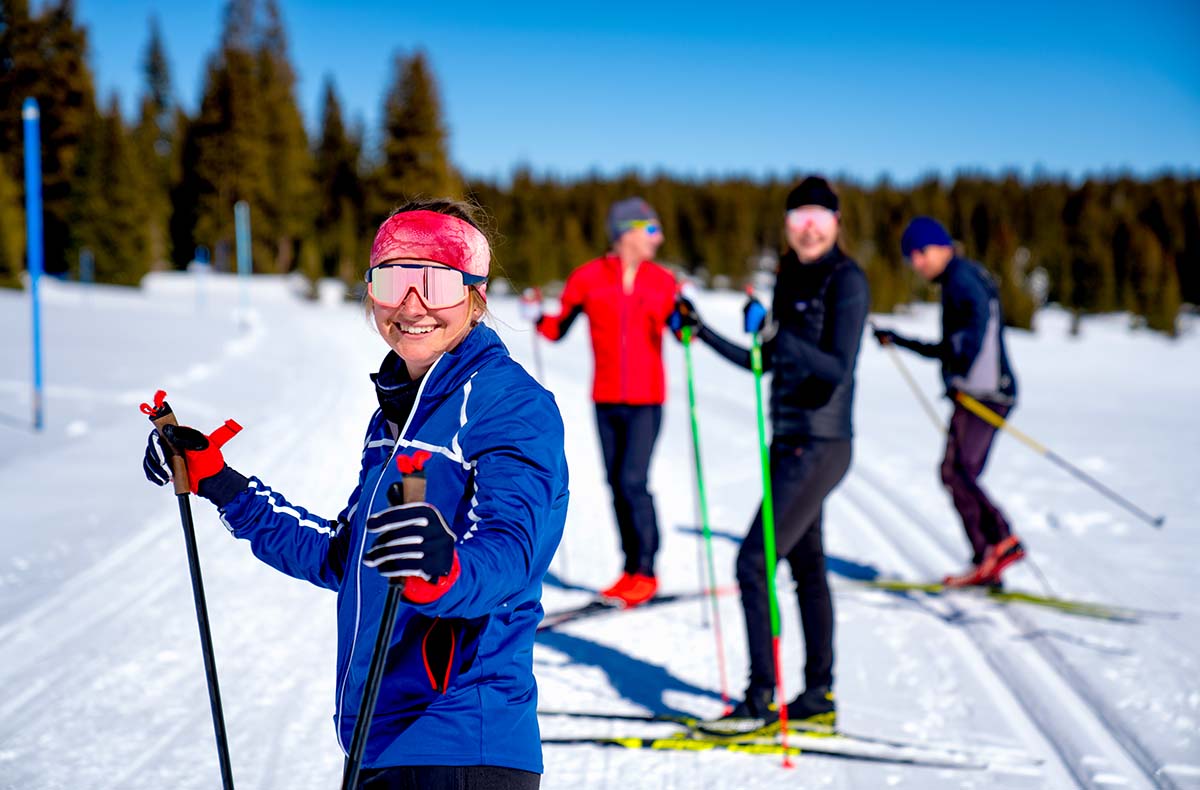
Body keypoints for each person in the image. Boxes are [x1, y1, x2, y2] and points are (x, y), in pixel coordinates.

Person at [142, 199, 568, 790]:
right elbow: (344, 556)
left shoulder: (509, 403)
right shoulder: (396, 414)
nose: (411, 305)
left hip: (463, 741)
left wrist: (442, 570)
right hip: (377, 739)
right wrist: (220, 483)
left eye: (436, 282)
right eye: (392, 280)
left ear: (475, 293)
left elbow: (512, 553)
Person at [672, 176, 869, 730]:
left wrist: (780, 337)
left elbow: (837, 368)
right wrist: (703, 332)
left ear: (836, 223)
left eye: (818, 219)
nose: (808, 229)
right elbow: (765, 363)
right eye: (797, 219)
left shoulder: (846, 280)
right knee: (807, 566)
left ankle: (760, 698)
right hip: (789, 441)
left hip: (821, 443)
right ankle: (818, 696)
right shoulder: (789, 277)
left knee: (753, 562)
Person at [532, 197, 677, 607]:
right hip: (606, 397)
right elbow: (557, 329)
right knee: (616, 483)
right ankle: (629, 570)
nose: (658, 238)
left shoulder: (662, 281)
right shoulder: (588, 278)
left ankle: (645, 570)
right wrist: (536, 317)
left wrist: (686, 322)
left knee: (633, 481)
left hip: (647, 400)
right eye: (651, 229)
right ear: (626, 232)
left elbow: (682, 327)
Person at [873, 216, 1023, 587]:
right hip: (984, 391)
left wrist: (963, 365)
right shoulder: (960, 278)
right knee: (958, 472)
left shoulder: (961, 279)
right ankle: (989, 556)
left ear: (942, 247)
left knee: (956, 472)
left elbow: (976, 321)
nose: (917, 262)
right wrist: (900, 340)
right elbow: (948, 347)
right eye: (911, 257)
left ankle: (999, 541)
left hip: (984, 394)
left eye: (922, 252)